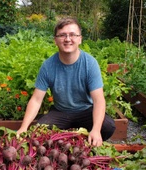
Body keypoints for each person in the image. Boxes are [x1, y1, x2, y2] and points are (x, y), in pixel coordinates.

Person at [16, 17, 115, 147]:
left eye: (73, 35)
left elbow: (99, 100)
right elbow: (36, 100)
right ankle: (64, 146)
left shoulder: (90, 64)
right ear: (55, 40)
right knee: (40, 131)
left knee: (107, 126)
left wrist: (96, 130)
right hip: (60, 111)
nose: (68, 39)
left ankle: (89, 142)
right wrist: (24, 127)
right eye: (62, 35)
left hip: (86, 111)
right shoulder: (48, 66)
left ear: (80, 39)